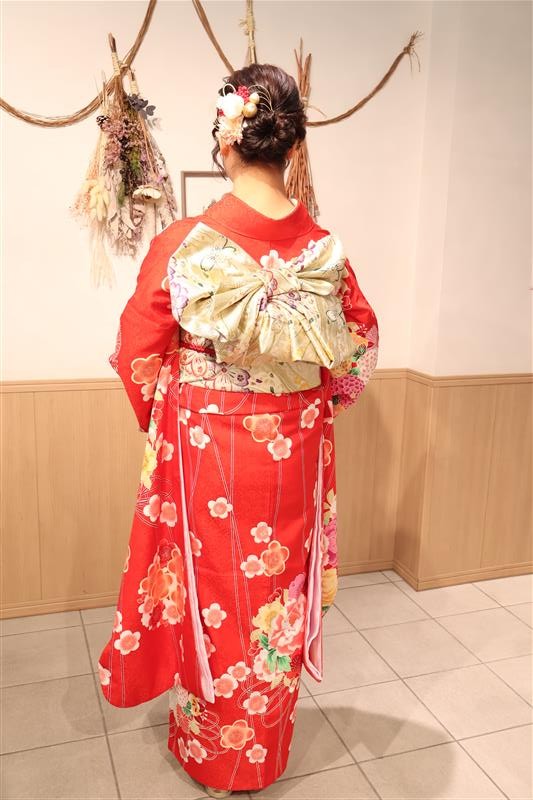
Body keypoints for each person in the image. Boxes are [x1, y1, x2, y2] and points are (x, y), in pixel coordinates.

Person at [97, 63, 379, 798]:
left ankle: (211, 751)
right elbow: (358, 349)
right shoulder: (324, 252)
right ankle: (262, 751)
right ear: (293, 147)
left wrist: (168, 412)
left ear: (226, 141)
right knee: (276, 599)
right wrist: (305, 402)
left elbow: (135, 352)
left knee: (211, 594)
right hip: (293, 451)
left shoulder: (185, 242)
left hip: (204, 449)